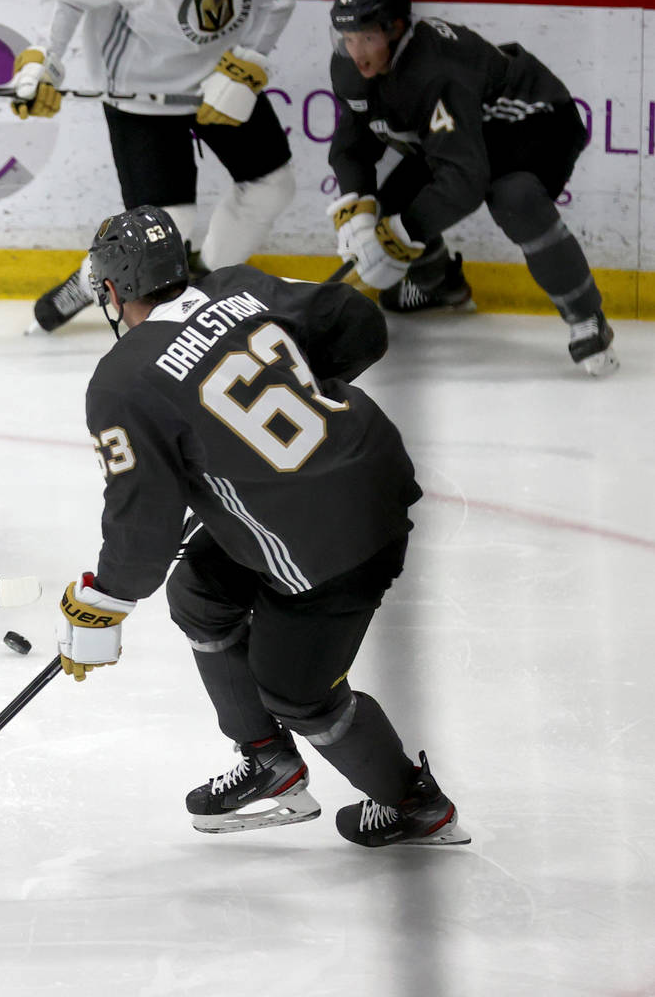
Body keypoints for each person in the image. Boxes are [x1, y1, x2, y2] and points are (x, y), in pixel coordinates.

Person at [56, 204, 469, 849]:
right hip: (374, 468)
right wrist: (297, 399)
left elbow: (145, 530)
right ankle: (269, 763)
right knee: (200, 592)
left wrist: (102, 603)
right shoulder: (239, 286)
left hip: (323, 541)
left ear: (112, 291)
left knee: (297, 694)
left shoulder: (123, 380)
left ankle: (415, 804)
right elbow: (360, 323)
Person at [12, 0, 297, 332]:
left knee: (272, 187)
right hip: (143, 97)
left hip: (220, 80)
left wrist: (250, 61)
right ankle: (90, 280)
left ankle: (210, 284)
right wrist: (41, 62)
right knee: (167, 226)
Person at [326, 0, 618, 377]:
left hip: (534, 123)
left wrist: (401, 235)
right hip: (469, 128)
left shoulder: (435, 71)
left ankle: (587, 317)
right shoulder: (352, 67)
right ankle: (442, 285)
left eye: (367, 38)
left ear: (395, 29)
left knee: (513, 196)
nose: (356, 52)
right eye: (348, 38)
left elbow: (464, 181)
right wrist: (357, 211)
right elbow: (353, 144)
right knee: (392, 209)